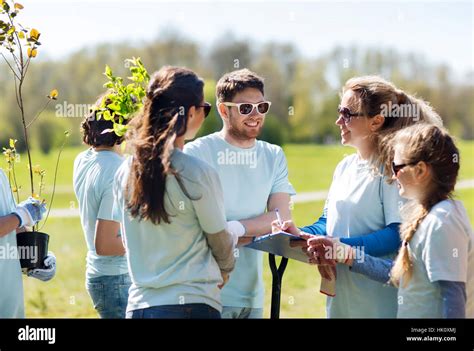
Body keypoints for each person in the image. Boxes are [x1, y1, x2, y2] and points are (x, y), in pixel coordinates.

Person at [273, 76, 443, 318]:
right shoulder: (344, 167)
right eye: (339, 111)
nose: (338, 120)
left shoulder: (393, 170)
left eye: (347, 113)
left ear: (376, 121)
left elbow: (397, 233)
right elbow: (327, 222)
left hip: (379, 303)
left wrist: (339, 248)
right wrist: (301, 234)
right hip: (341, 301)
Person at [305, 123, 473, 318]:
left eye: (396, 166)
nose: (392, 176)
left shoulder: (442, 222)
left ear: (420, 170)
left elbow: (453, 298)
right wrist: (344, 253)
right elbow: (399, 275)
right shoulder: (427, 216)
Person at [113, 66, 235, 319]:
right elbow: (218, 238)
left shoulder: (124, 171)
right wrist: (225, 269)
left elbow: (126, 240)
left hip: (139, 306)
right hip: (192, 304)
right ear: (190, 113)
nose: (204, 114)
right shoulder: (197, 172)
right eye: (205, 108)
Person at [184, 68, 296, 319]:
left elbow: (281, 218)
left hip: (252, 294)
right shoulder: (197, 153)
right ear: (224, 110)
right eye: (246, 108)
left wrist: (234, 229)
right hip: (205, 293)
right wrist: (252, 229)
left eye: (262, 107)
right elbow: (190, 226)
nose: (256, 115)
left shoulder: (273, 155)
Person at [73, 97, 130, 318]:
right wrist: (150, 239)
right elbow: (105, 244)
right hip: (117, 279)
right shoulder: (118, 170)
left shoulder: (83, 159)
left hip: (100, 277)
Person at [0, 170, 54, 317]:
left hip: (10, 302)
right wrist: (22, 215)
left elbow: (12, 227)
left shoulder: (1, 174)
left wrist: (36, 259)